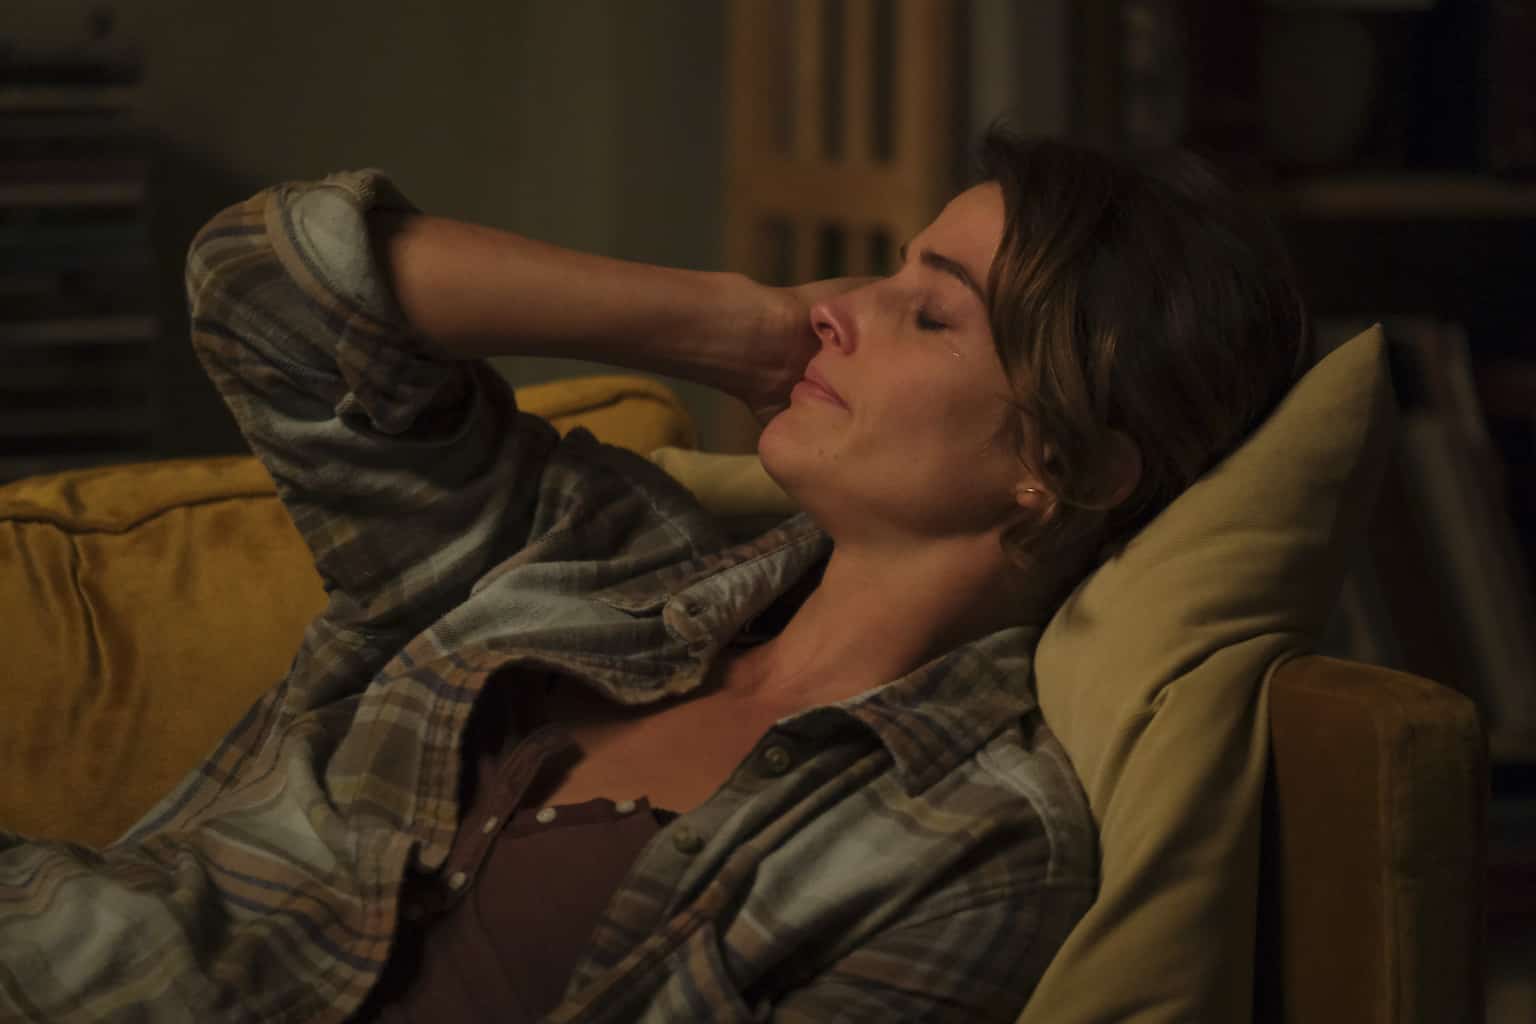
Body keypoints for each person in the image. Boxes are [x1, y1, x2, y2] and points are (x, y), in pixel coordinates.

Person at [0, 128, 1310, 1022]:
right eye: (887, 268)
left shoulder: (974, 849)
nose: (840, 305)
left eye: (931, 312)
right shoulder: (592, 557)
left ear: (1065, 467)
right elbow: (266, 287)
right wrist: (723, 322)